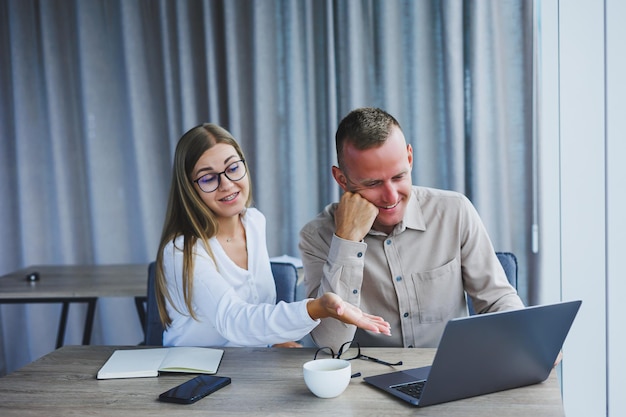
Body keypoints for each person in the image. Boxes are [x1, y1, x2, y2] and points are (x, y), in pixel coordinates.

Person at [299, 107, 525, 352]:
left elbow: (497, 300)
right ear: (342, 180)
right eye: (373, 183)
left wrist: (527, 339)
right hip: (365, 379)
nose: (390, 196)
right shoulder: (317, 237)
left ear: (409, 157)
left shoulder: (454, 212)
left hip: (448, 371)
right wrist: (347, 240)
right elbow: (331, 344)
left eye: (398, 177)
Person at [154, 123, 391, 348]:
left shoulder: (254, 222)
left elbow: (258, 307)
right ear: (189, 189)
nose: (226, 184)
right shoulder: (181, 250)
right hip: (192, 373)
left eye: (233, 168)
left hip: (249, 366)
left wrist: (272, 342)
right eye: (208, 178)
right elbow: (232, 320)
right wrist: (317, 308)